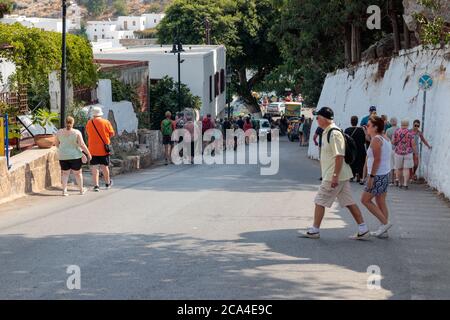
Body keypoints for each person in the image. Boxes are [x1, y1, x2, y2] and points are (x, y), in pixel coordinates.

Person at [300, 107, 370, 240]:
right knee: (349, 202)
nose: (317, 120)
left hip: (334, 175)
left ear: (325, 119)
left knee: (320, 201)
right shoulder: (327, 131)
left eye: (318, 117)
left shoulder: (334, 133)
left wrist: (334, 176)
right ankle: (363, 228)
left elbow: (339, 156)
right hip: (339, 175)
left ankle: (315, 230)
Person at [361, 116, 393, 238]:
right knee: (380, 201)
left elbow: (377, 160)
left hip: (377, 175)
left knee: (365, 200)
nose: (366, 127)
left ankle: (385, 224)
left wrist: (371, 177)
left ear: (375, 127)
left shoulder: (376, 140)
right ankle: (384, 230)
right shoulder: (385, 138)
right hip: (384, 173)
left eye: (368, 125)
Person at [56, 116, 92, 196]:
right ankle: (81, 190)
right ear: (73, 123)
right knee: (78, 174)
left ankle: (64, 191)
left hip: (63, 156)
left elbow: (56, 144)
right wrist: (88, 153)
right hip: (75, 156)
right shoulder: (77, 132)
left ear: (65, 122)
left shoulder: (59, 132)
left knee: (65, 174)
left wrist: (64, 148)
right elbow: (82, 144)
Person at [86, 106, 115, 192]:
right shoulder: (106, 122)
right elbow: (112, 133)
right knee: (104, 167)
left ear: (93, 114)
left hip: (92, 149)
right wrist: (106, 137)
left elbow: (88, 133)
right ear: (100, 114)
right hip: (103, 149)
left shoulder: (89, 123)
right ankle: (107, 183)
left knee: (94, 168)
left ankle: (96, 186)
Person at [392, 119, 417, 189]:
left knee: (399, 168)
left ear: (401, 124)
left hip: (398, 153)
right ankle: (405, 184)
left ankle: (400, 183)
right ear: (408, 124)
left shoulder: (396, 131)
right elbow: (413, 144)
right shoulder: (410, 133)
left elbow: (393, 142)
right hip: (408, 153)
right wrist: (415, 153)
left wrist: (397, 144)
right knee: (406, 169)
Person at [345, 116, 367, 184]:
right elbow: (364, 140)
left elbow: (345, 140)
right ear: (357, 122)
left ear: (351, 122)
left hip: (351, 149)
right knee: (360, 162)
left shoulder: (347, 130)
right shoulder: (361, 130)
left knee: (352, 162)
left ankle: (351, 176)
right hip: (360, 148)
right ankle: (359, 176)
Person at [385, 117, 399, 184]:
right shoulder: (399, 129)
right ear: (396, 122)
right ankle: (397, 178)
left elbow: (386, 139)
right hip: (398, 149)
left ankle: (391, 180)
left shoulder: (388, 130)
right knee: (397, 165)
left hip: (390, 149)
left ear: (390, 123)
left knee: (391, 165)